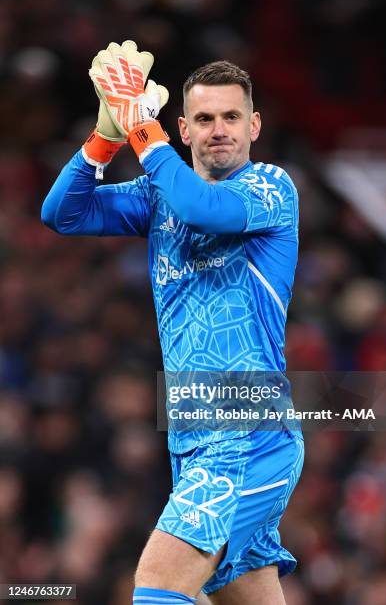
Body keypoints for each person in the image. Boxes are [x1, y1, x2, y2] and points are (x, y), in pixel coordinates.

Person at [41, 41, 304, 605]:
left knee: (158, 585)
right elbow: (62, 213)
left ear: (254, 125)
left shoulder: (270, 189)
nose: (219, 130)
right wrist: (108, 135)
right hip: (193, 442)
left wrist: (144, 130)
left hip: (247, 436)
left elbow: (203, 210)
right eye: (204, 119)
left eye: (232, 116)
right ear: (183, 129)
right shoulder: (158, 196)